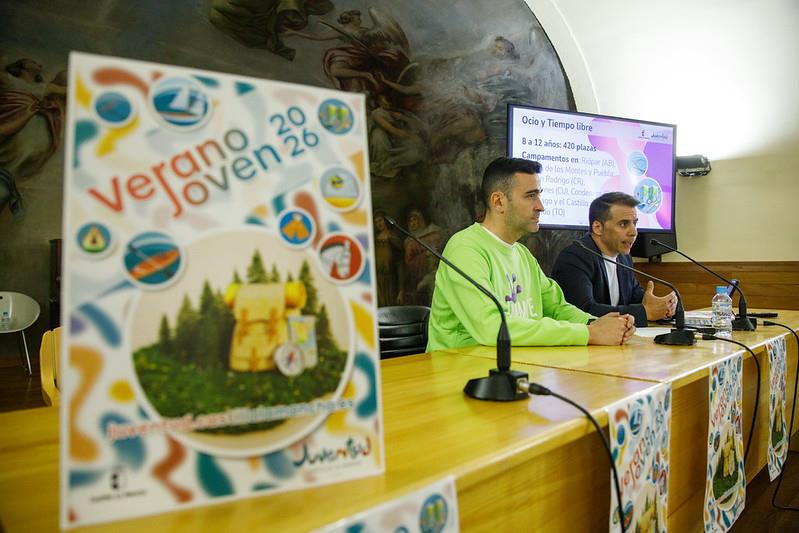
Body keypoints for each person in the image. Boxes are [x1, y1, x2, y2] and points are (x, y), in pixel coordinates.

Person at [426, 157, 634, 351]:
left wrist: (599, 324)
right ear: (498, 202)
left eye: (539, 195)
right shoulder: (465, 249)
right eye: (530, 196)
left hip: (515, 365)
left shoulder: (522, 254)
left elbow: (557, 308)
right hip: (461, 369)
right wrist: (588, 333)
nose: (540, 207)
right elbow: (492, 328)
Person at [551, 192, 677, 327]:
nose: (634, 232)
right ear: (598, 227)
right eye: (623, 224)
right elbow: (584, 310)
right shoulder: (575, 257)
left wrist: (663, 306)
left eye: (634, 223)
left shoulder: (624, 258)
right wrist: (644, 312)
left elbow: (637, 299)